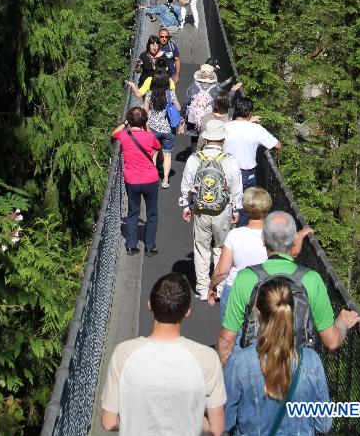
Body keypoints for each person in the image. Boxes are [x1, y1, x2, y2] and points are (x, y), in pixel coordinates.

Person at [217, 211, 360, 365]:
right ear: (295, 241)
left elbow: (227, 340)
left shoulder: (246, 278)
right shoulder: (311, 279)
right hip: (298, 368)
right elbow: (331, 341)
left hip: (255, 366)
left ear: (263, 239)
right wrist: (342, 323)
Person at [101, 272, 226, 436]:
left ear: (149, 305)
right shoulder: (207, 358)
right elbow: (216, 428)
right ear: (187, 312)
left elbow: (108, 422)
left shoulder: (123, 353)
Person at [224, 278, 332, 435]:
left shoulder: (240, 362)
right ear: (291, 312)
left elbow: (225, 423)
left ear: (258, 313)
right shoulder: (312, 361)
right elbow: (324, 424)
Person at [179, 118, 243, 301]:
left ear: (206, 138)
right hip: (222, 210)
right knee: (221, 248)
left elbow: (186, 185)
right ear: (223, 139)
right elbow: (236, 188)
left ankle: (202, 287)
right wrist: (236, 210)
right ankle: (220, 288)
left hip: (200, 209)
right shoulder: (229, 160)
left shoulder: (194, 159)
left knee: (201, 248)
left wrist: (186, 205)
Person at [208, 187, 272, 320]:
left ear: (246, 209)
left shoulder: (235, 235)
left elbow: (221, 271)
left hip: (235, 288)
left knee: (232, 335)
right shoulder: (272, 236)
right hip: (263, 290)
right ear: (267, 209)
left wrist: (212, 286)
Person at [223, 96, 282, 226]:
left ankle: (224, 234)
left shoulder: (225, 127)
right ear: (250, 114)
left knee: (225, 203)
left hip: (225, 172)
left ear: (235, 111)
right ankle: (240, 236)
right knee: (245, 207)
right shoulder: (256, 130)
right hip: (246, 174)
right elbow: (278, 145)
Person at [111, 107, 160, 256]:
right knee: (152, 214)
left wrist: (125, 123)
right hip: (150, 179)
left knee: (133, 212)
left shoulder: (124, 135)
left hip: (131, 180)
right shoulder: (149, 136)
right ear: (144, 121)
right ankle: (149, 246)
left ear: (129, 120)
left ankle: (131, 245)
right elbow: (158, 146)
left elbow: (113, 134)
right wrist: (147, 127)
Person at [143, 67, 182, 188]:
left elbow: (144, 112)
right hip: (169, 130)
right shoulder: (170, 93)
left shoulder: (149, 94)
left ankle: (152, 179)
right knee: (167, 154)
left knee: (153, 154)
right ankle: (165, 180)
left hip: (153, 129)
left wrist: (147, 128)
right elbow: (179, 108)